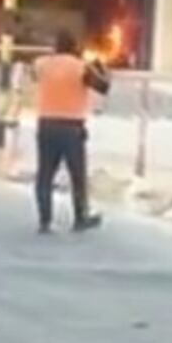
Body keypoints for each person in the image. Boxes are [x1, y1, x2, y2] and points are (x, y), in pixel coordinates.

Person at [32, 31, 110, 233]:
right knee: (77, 175)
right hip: (71, 127)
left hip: (46, 124)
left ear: (55, 47)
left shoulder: (42, 64)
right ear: (75, 47)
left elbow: (33, 75)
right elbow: (103, 86)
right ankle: (80, 217)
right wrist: (101, 67)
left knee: (45, 175)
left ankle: (44, 220)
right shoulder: (80, 67)